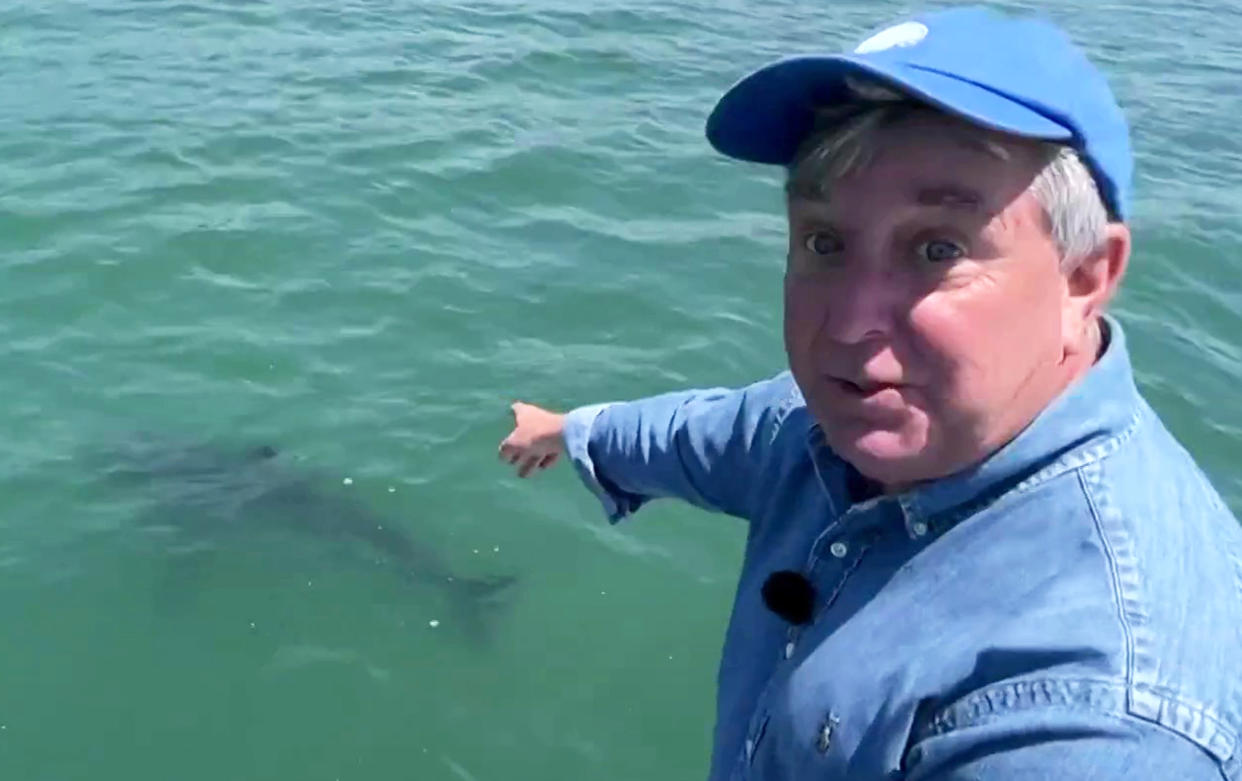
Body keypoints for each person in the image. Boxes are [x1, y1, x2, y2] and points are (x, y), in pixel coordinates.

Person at [498, 6, 1242, 780]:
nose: (850, 324)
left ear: (1083, 278)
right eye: (824, 241)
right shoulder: (834, 427)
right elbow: (708, 434)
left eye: (937, 248)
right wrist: (567, 429)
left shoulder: (1095, 716)